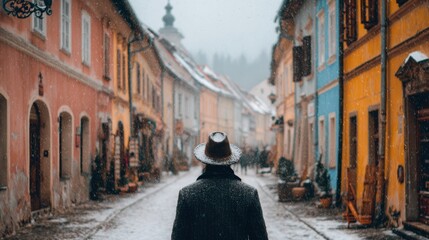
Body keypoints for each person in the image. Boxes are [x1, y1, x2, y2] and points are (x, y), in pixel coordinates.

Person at [171, 132, 268, 240]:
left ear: (205, 161)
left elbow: (178, 237)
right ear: (230, 161)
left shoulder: (187, 195)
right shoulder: (248, 194)